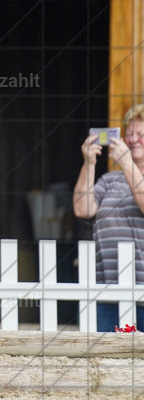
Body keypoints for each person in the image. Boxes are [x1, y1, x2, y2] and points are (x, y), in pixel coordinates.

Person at [73, 104, 144, 332]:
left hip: (142, 293)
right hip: (107, 291)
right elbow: (83, 209)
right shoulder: (110, 180)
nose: (133, 140)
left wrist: (127, 163)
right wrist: (89, 164)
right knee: (106, 353)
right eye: (129, 134)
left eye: (140, 134)